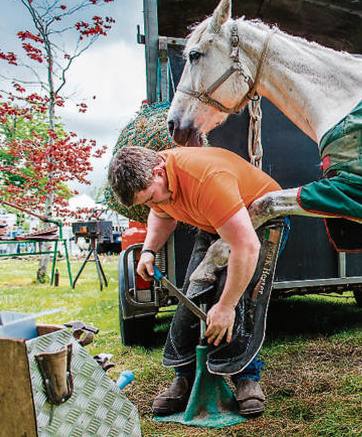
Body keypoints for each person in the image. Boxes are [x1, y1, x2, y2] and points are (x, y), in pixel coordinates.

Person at [107, 145, 281, 416]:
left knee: (241, 299)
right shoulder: (161, 185)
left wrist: (225, 306)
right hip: (214, 220)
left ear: (158, 173)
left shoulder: (206, 180)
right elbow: (161, 214)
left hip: (261, 220)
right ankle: (186, 378)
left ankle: (246, 379)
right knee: (192, 296)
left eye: (152, 197)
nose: (153, 204)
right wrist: (149, 249)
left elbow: (246, 247)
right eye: (147, 202)